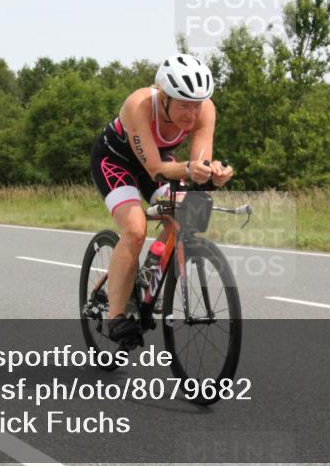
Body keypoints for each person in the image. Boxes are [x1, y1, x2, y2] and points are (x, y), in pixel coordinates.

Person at [89, 54, 233, 347]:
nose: (192, 114)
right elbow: (155, 169)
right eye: (183, 105)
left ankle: (148, 268)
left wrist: (213, 172)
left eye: (197, 105)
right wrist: (191, 170)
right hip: (116, 162)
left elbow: (198, 164)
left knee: (187, 211)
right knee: (135, 228)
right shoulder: (139, 104)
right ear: (164, 97)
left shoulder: (205, 110)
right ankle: (116, 315)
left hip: (160, 163)